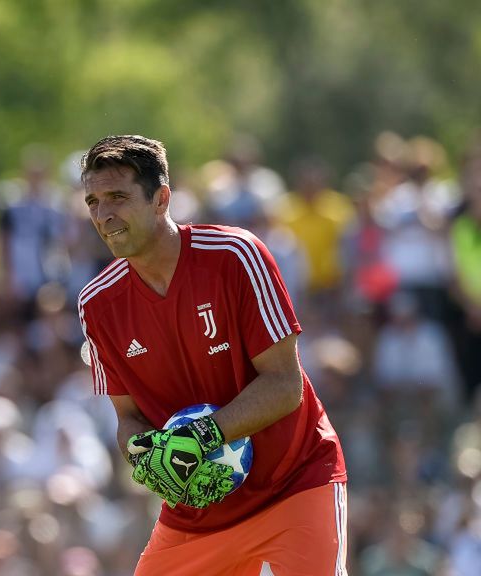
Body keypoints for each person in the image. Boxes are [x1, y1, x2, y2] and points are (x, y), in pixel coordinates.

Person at [76, 135, 347, 575]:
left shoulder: (236, 255)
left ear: (161, 199)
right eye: (93, 201)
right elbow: (127, 418)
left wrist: (199, 437)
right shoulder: (96, 303)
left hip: (294, 482)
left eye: (119, 197)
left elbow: (285, 385)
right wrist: (143, 455)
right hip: (197, 512)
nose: (104, 215)